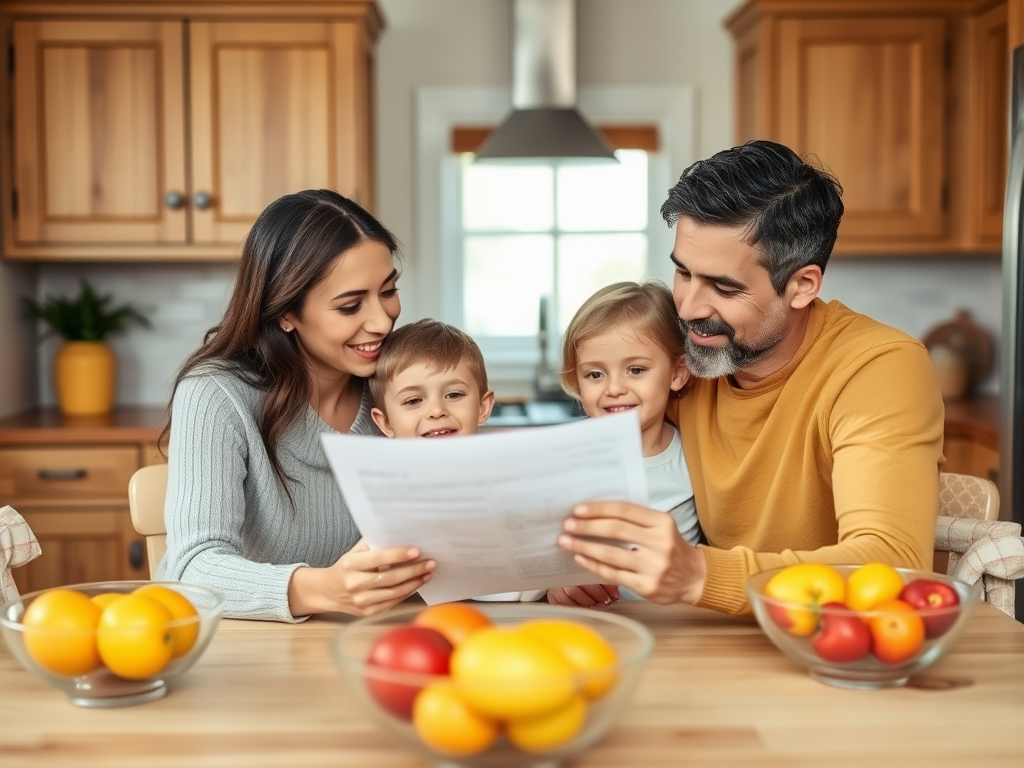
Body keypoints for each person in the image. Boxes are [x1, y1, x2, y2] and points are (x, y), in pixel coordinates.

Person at [554, 140, 944, 615]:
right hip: (699, 639)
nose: (689, 308)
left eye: (723, 287)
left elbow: (892, 562)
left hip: (822, 642)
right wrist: (561, 575)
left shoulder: (877, 367)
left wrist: (698, 573)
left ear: (802, 285)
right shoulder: (687, 354)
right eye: (683, 273)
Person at [157, 189, 436, 622]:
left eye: (389, 290)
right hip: (251, 654)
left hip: (373, 639)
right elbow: (191, 570)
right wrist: (325, 588)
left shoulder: (400, 391)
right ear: (286, 312)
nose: (383, 321)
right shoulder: (217, 395)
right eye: (350, 305)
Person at [367, 318, 545, 602]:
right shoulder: (384, 498)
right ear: (385, 422)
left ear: (483, 406)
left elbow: (537, 576)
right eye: (413, 401)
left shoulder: (514, 486)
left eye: (454, 394)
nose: (437, 410)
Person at [547, 281, 701, 608]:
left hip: (674, 627)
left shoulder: (695, 457)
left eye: (635, 369)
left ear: (677, 373)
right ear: (576, 380)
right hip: (586, 621)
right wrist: (555, 585)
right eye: (595, 375)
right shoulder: (561, 455)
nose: (614, 388)